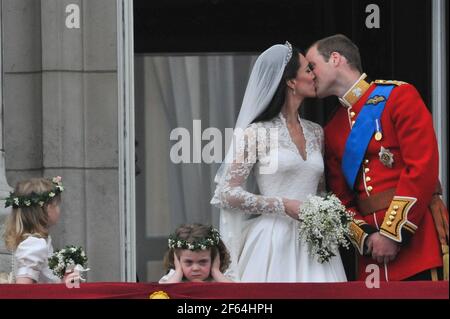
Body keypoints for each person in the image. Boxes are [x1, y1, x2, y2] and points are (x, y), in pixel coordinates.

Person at [306, 34, 448, 281]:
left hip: (417, 243)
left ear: (336, 59)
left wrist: (392, 234)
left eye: (313, 65)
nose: (309, 74)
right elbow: (340, 199)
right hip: (371, 257)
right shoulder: (332, 128)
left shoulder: (399, 96)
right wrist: (369, 237)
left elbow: (422, 168)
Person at [210, 42, 347, 282]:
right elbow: (225, 192)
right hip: (273, 242)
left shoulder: (316, 132)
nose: (314, 75)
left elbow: (320, 191)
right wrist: (282, 204)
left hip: (315, 243)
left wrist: (327, 214)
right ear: (291, 82)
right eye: (308, 70)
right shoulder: (256, 133)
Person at [2, 176, 78, 284]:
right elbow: (23, 290)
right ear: (47, 208)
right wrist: (64, 285)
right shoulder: (35, 244)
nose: (59, 209)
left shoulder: (38, 242)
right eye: (57, 205)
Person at [159, 224, 233, 283]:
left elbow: (238, 293)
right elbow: (162, 294)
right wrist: (178, 272)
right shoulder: (172, 278)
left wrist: (216, 272)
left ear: (214, 260)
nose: (195, 268)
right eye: (188, 262)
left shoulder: (222, 278)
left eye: (203, 261)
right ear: (177, 261)